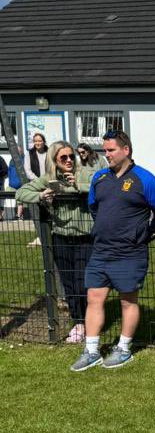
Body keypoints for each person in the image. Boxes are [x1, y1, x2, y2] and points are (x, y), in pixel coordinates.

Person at [70, 130, 155, 371]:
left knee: (127, 301)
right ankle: (91, 350)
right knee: (94, 298)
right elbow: (94, 207)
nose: (107, 154)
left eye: (111, 150)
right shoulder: (100, 178)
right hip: (101, 251)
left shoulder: (145, 179)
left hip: (130, 254)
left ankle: (123, 348)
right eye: (105, 150)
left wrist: (142, 238)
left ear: (126, 150)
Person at [17, 141, 95, 342]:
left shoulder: (85, 173)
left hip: (85, 236)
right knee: (68, 283)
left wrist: (77, 186)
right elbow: (21, 193)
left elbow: (99, 186)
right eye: (63, 158)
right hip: (60, 236)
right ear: (54, 161)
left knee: (81, 283)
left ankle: (90, 321)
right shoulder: (49, 179)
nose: (69, 160)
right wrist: (41, 195)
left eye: (71, 156)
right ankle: (78, 322)